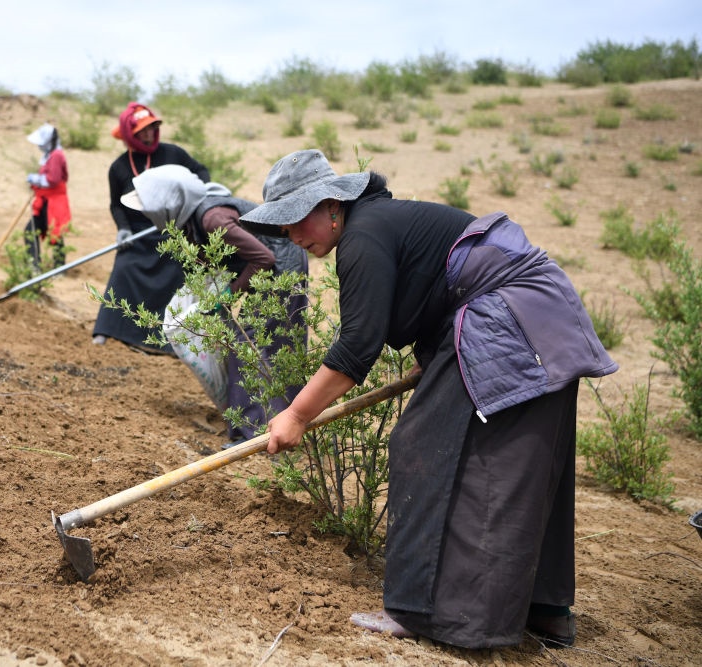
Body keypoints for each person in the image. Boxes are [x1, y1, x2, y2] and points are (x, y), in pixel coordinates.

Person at [239, 149, 618, 649]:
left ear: (332, 204)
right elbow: (436, 284)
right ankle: (545, 610)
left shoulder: (363, 235)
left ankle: (427, 612)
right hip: (541, 320)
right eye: (282, 228)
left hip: (508, 318)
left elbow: (357, 345)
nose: (292, 236)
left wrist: (296, 414)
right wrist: (437, 355)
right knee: (526, 459)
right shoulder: (381, 221)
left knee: (424, 447)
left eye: (295, 219)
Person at [119, 164, 308, 445]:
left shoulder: (211, 218)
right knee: (272, 345)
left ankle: (252, 433)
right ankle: (287, 423)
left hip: (281, 270)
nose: (148, 215)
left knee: (249, 345)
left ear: (168, 204)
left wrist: (227, 295)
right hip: (273, 269)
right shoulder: (196, 217)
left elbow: (264, 258)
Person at [92, 102, 209, 354]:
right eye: (141, 131)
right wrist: (123, 229)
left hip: (174, 229)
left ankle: (178, 338)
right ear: (128, 135)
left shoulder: (174, 154)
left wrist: (200, 196)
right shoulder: (119, 167)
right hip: (138, 233)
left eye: (152, 128)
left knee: (183, 272)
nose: (148, 134)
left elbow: (201, 172)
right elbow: (116, 205)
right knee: (124, 268)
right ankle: (107, 329)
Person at [25, 123, 70, 268]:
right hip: (46, 200)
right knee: (36, 230)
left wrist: (35, 179)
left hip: (54, 201)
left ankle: (56, 267)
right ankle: (36, 265)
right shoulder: (51, 155)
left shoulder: (56, 155)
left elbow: (53, 179)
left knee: (54, 232)